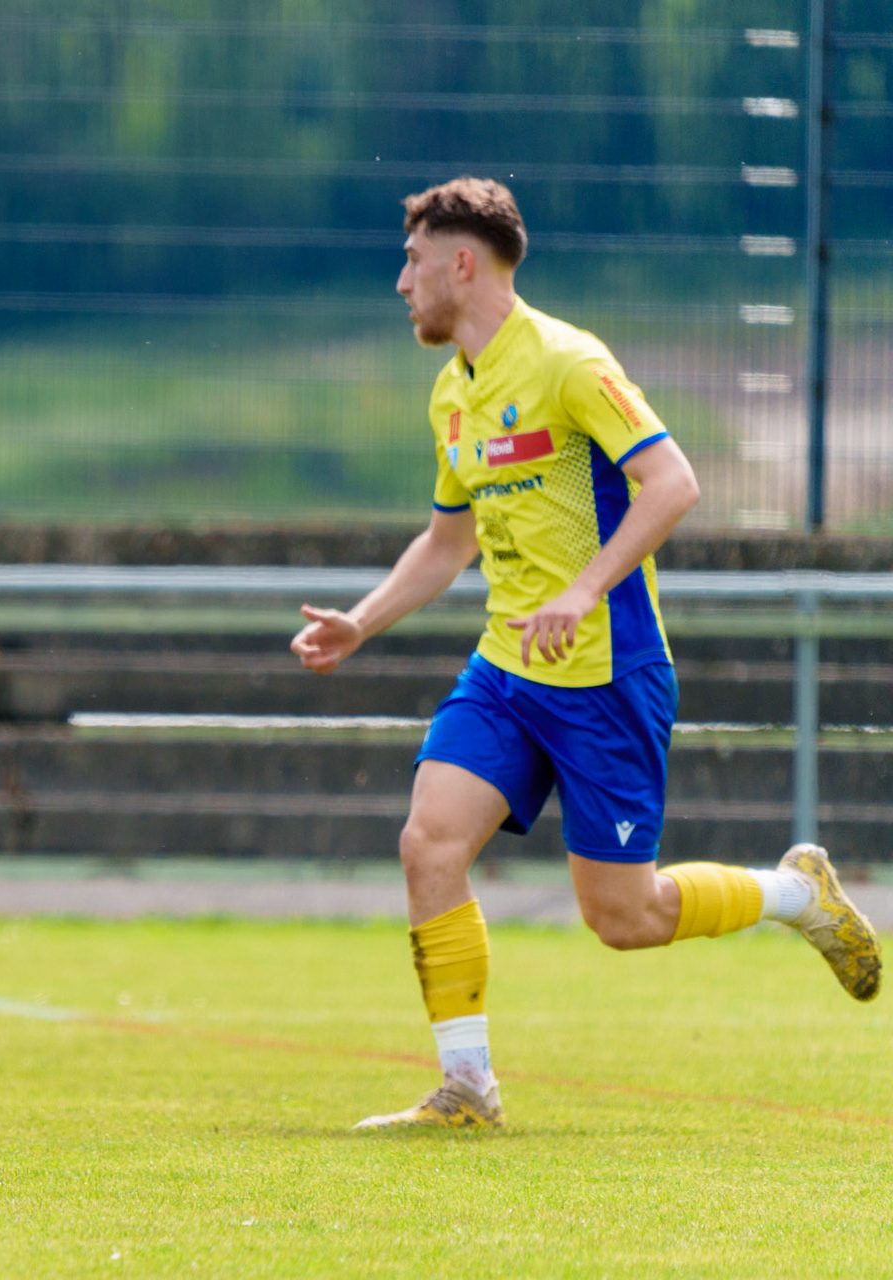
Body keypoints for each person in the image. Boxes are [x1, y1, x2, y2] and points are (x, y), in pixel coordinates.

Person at [291, 177, 881, 1132]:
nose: (401, 283)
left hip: (606, 673)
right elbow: (448, 542)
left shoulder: (568, 362)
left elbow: (673, 483)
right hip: (507, 672)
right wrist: (362, 621)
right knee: (427, 843)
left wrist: (584, 587)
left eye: (411, 261)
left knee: (624, 917)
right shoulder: (453, 393)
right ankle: (467, 1089)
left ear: (461, 262)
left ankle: (793, 892)